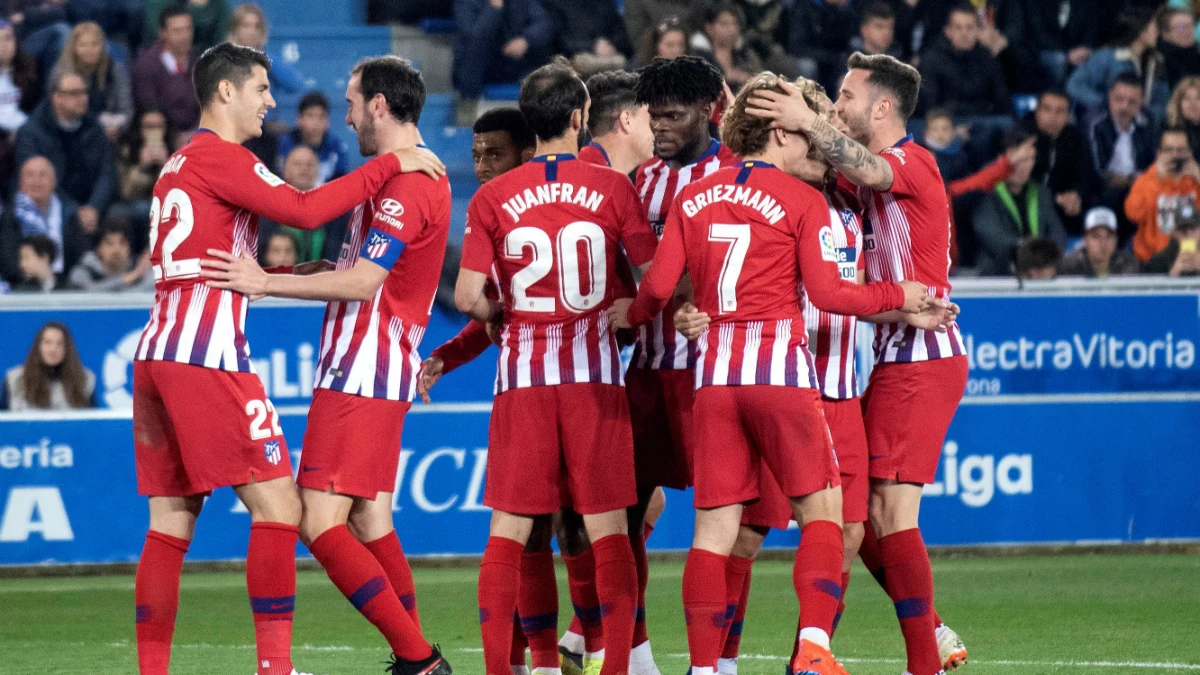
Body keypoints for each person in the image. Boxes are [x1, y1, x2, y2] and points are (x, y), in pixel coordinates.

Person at [128, 42, 443, 675]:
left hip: (157, 351)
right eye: (262, 89)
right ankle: (283, 667)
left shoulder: (177, 164)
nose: (272, 102)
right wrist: (392, 164)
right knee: (284, 510)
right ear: (226, 92)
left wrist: (276, 273)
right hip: (207, 354)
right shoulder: (223, 156)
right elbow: (303, 208)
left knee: (170, 522)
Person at [611, 70, 940, 675]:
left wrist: (627, 316)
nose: (813, 147)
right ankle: (813, 646)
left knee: (712, 532)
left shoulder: (693, 195)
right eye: (803, 136)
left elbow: (657, 286)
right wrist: (905, 295)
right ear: (779, 134)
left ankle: (705, 669)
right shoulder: (803, 200)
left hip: (713, 380)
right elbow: (831, 295)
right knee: (823, 511)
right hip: (782, 376)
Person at [747, 51, 969, 675]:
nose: (838, 108)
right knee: (856, 516)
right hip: (893, 351)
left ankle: (921, 657)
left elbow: (862, 164)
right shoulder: (856, 189)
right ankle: (868, 642)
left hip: (922, 360)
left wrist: (804, 117)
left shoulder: (910, 163)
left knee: (889, 515)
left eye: (845, 96)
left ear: (881, 106)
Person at [454, 57, 656, 675]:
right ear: (579, 116)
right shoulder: (614, 189)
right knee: (609, 534)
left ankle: (504, 669)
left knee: (509, 534)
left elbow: (465, 297)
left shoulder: (493, 195)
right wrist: (630, 311)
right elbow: (653, 281)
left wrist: (502, 311)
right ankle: (618, 666)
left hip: (523, 382)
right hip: (592, 380)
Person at [627, 54, 740, 669]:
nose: (660, 128)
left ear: (710, 112)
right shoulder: (642, 181)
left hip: (712, 375)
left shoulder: (736, 176)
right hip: (646, 372)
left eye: (671, 116)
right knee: (623, 514)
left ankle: (721, 660)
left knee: (733, 527)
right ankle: (635, 655)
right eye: (653, 116)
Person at [14, 69, 117, 233]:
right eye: (74, 93)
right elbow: (35, 180)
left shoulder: (94, 128)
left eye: (84, 92)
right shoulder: (32, 132)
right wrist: (74, 210)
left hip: (92, 205)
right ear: (56, 98)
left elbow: (107, 172)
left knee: (123, 216)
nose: (83, 98)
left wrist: (94, 207)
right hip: (52, 203)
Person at [973, 129, 1068, 276]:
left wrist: (1046, 258)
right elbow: (991, 235)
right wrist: (1028, 253)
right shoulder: (987, 193)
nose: (1024, 166)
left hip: (1042, 272)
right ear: (1002, 160)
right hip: (1000, 274)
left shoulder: (1041, 193)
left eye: (1030, 159)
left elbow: (1057, 232)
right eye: (1020, 159)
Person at [452, 0, 551, 125]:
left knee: (546, 60)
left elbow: (543, 23)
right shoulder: (466, 3)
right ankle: (467, 106)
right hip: (480, 69)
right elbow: (474, 37)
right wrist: (493, 10)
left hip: (514, 64)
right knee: (471, 52)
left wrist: (526, 40)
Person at [1088, 73, 1158, 243]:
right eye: (1119, 99)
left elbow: (1155, 161)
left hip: (1140, 184)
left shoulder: (1147, 121)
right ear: (1109, 97)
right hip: (1104, 191)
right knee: (1116, 196)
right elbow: (1098, 173)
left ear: (1141, 103)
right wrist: (1132, 180)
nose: (1124, 107)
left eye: (1132, 102)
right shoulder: (1096, 123)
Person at [1067, 7, 1169, 122]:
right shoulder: (1108, 57)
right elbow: (1075, 85)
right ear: (1141, 29)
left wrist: (1146, 116)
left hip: (1142, 128)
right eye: (1155, 27)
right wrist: (1108, 104)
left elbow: (1162, 100)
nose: (1159, 33)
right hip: (1105, 123)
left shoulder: (1157, 62)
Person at [257, 145, 350, 263]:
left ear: (318, 171)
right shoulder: (267, 209)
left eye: (310, 165)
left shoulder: (335, 212)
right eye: (297, 164)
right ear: (284, 171)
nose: (304, 169)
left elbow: (339, 254)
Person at [0, 156, 85, 282]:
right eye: (30, 175)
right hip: (23, 287)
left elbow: (80, 253)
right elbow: (8, 261)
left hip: (65, 285)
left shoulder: (69, 213)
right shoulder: (10, 218)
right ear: (21, 183)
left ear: (54, 181)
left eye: (42, 174)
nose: (36, 180)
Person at [1126, 128, 1200, 263]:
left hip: (1192, 259)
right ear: (1159, 153)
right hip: (1151, 260)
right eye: (1169, 150)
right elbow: (1134, 214)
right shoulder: (1146, 180)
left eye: (1181, 150)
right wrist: (1156, 180)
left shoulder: (1195, 181)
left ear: (1190, 153)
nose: (1175, 156)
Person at [1026, 90, 1094, 236]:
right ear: (1037, 112)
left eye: (1060, 111)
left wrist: (1076, 195)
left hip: (1066, 204)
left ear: (1068, 116)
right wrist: (1055, 198)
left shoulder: (1076, 138)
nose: (1053, 117)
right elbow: (1022, 181)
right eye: (1047, 110)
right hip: (1031, 201)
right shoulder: (1023, 136)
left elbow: (1085, 175)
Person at [994, 0, 1100, 89]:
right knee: (1058, 61)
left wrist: (1084, 50)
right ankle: (1056, 100)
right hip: (1044, 51)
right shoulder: (1037, 3)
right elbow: (1038, 34)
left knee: (1097, 61)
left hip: (1079, 53)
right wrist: (1067, 54)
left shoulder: (1087, 3)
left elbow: (1091, 32)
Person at [53, 21, 132, 139]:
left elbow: (126, 108)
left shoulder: (116, 70)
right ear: (73, 47)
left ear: (102, 46)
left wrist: (118, 128)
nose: (89, 50)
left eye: (94, 44)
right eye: (83, 45)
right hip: (71, 133)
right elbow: (56, 111)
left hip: (110, 133)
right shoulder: (60, 73)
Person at [133, 4, 199, 144]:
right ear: (162, 32)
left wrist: (196, 134)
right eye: (177, 31)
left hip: (197, 136)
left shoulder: (199, 63)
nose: (185, 36)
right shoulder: (146, 65)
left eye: (188, 29)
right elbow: (149, 109)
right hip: (161, 139)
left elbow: (207, 106)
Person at [1, 321, 95, 410]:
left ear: (68, 349)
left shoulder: (84, 381)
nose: (53, 349)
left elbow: (93, 423)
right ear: (38, 346)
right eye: (48, 342)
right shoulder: (15, 379)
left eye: (60, 344)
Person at [578, 70, 654, 175]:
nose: (658, 127)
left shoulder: (576, 171)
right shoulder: (597, 181)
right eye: (652, 117)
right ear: (626, 120)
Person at [227, 3, 304, 95]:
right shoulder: (223, 59)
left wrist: (261, 58)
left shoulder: (268, 61)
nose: (252, 31)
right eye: (246, 26)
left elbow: (295, 84)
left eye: (257, 26)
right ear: (235, 29)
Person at [541, 0, 630, 77]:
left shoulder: (604, 2)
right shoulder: (555, 3)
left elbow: (620, 30)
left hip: (611, 52)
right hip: (577, 55)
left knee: (623, 62)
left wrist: (610, 45)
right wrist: (592, 46)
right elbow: (560, 40)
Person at [277, 92, 348, 185]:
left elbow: (341, 184)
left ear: (328, 121)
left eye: (321, 116)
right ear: (299, 119)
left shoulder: (337, 148)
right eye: (310, 116)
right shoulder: (284, 144)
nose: (316, 122)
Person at [68, 217, 154, 290]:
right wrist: (129, 278)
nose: (116, 249)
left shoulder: (142, 268)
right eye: (109, 243)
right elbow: (87, 294)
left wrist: (137, 274)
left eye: (122, 243)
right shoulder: (83, 271)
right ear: (98, 248)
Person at [691, 2, 761, 91]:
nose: (731, 29)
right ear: (709, 28)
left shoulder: (747, 56)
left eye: (735, 23)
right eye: (724, 24)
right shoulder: (698, 58)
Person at [1059, 206, 1140, 277]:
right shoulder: (1070, 267)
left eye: (1108, 236)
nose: (1103, 243)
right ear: (1086, 240)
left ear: (1116, 240)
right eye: (1096, 236)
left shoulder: (1128, 264)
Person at [143, 0, 230, 54]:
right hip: (162, 56)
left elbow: (221, 36)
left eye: (188, 29)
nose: (184, 35)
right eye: (179, 31)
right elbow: (155, 33)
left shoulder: (219, 4)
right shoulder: (158, 3)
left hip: (200, 55)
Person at [1143, 204, 1200, 275]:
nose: (1188, 233)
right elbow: (1149, 284)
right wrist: (1173, 273)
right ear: (1173, 231)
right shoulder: (1159, 260)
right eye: (1182, 229)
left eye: (1192, 228)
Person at [623, 0, 690, 57]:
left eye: (680, 45)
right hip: (648, 56)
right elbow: (638, 36)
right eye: (670, 45)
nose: (676, 51)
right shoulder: (636, 3)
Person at [922, 107, 969, 182]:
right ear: (927, 132)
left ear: (953, 132)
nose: (940, 134)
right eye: (935, 129)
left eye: (945, 129)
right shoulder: (921, 152)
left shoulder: (961, 155)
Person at [1159, 7, 1200, 90]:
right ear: (1165, 33)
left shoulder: (1196, 58)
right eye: (1181, 27)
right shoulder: (1159, 62)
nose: (1188, 31)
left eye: (1191, 25)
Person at [1167, 76, 1200, 161]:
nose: (1192, 104)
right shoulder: (1169, 130)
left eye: (1198, 98)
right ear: (1179, 103)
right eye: (1187, 98)